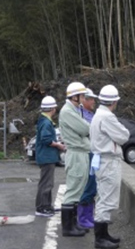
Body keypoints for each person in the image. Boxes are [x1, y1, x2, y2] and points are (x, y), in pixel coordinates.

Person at [90, 85, 130, 249]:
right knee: (106, 199)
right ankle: (100, 239)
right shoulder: (107, 117)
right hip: (108, 161)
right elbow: (124, 136)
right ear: (114, 101)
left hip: (102, 160)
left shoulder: (98, 115)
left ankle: (104, 235)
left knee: (103, 197)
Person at [59, 82, 90, 237]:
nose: (83, 99)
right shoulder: (67, 112)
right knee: (73, 190)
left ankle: (74, 224)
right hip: (76, 154)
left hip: (80, 154)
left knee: (78, 190)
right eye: (82, 96)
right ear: (75, 96)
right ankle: (68, 227)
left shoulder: (74, 110)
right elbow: (85, 129)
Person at [35, 95, 65, 217]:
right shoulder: (46, 123)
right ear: (52, 109)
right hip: (47, 157)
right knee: (46, 183)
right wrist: (59, 145)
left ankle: (47, 206)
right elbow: (46, 139)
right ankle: (42, 208)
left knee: (47, 182)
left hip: (46, 156)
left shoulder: (44, 121)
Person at [77, 88, 98, 229]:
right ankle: (82, 217)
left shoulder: (91, 114)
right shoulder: (80, 115)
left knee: (93, 185)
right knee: (88, 184)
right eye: (90, 99)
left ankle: (89, 215)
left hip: (94, 152)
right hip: (86, 153)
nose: (93, 102)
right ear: (83, 99)